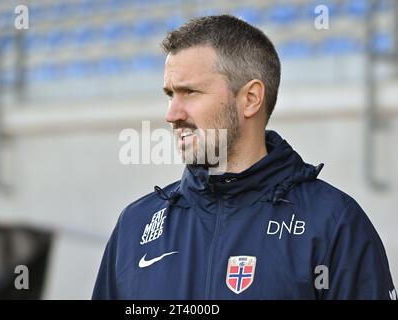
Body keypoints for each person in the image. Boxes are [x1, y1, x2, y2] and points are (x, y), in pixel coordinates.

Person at [92, 15, 396, 299]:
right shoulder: (135, 225)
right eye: (170, 94)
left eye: (190, 92)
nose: (172, 114)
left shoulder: (333, 223)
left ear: (250, 99)